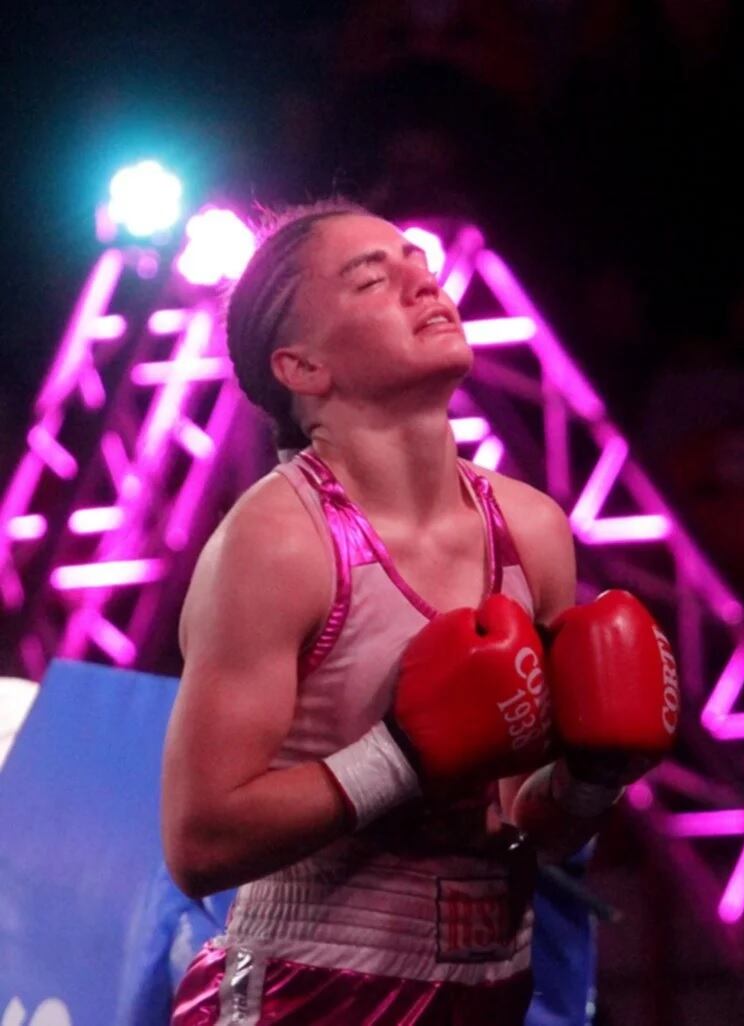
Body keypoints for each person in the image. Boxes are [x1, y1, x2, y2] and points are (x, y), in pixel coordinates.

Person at [161, 199, 676, 1025]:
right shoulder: (277, 541)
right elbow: (199, 843)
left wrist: (591, 779)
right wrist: (403, 754)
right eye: (373, 278)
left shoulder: (532, 529)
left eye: (420, 267)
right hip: (307, 987)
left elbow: (525, 823)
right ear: (302, 369)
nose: (423, 285)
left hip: (489, 986)